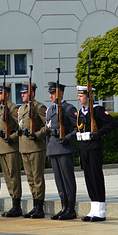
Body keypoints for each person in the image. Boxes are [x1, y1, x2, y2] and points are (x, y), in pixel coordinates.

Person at [76, 85, 118, 222]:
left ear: (88, 97)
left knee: (96, 177)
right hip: (84, 148)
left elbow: (113, 124)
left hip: (94, 148)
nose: (79, 98)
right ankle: (93, 208)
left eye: (81, 96)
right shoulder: (81, 112)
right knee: (89, 179)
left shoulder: (98, 110)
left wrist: (97, 134)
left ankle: (101, 210)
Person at [45, 81, 78, 220]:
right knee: (59, 180)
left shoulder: (69, 108)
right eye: (50, 93)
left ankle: (70, 208)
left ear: (61, 93)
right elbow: (47, 131)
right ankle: (63, 206)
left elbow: (79, 128)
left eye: (53, 93)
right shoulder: (50, 110)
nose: (51, 95)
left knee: (67, 179)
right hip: (53, 148)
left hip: (64, 148)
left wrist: (68, 138)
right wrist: (48, 149)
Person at [18, 81, 47, 219]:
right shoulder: (22, 109)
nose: (22, 95)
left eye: (25, 93)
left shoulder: (39, 107)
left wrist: (37, 134)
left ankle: (40, 207)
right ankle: (35, 205)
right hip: (24, 147)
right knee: (30, 179)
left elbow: (49, 125)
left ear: (32, 94)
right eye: (22, 93)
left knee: (37, 178)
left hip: (36, 147)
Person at [0, 83, 23, 217]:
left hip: (11, 147)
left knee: (14, 176)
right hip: (2, 147)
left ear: (6, 94)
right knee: (7, 177)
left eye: (0, 93)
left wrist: (12, 137)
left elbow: (21, 128)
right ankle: (13, 202)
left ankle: (17, 205)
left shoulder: (12, 108)